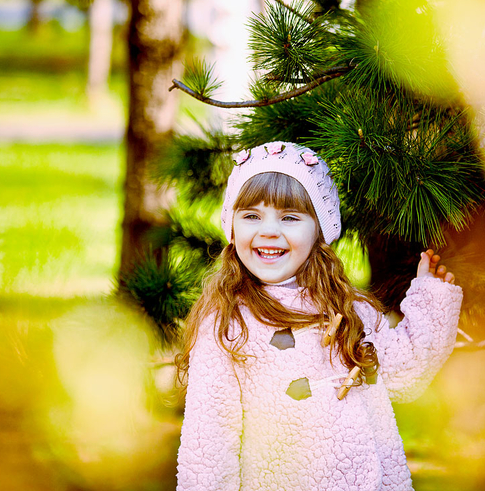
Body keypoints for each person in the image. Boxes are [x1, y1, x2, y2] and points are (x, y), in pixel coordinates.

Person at [175, 141, 462, 491]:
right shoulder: (227, 326)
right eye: (251, 216)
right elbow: (207, 449)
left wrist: (431, 297)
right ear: (232, 228)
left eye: (289, 217)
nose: (269, 230)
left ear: (319, 230)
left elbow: (406, 373)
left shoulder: (350, 309)